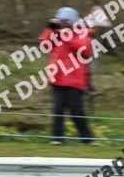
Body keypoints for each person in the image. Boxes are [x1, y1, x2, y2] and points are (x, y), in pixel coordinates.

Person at [40, 7, 94, 144]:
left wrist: (67, 36)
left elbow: (85, 51)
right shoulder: (56, 34)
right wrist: (50, 29)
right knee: (57, 109)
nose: (62, 24)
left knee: (76, 111)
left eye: (65, 22)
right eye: (60, 21)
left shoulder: (82, 34)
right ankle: (57, 138)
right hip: (57, 78)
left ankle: (86, 138)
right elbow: (44, 46)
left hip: (75, 80)